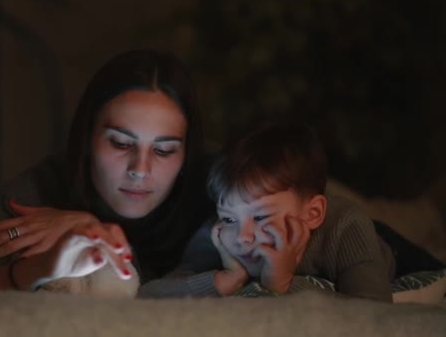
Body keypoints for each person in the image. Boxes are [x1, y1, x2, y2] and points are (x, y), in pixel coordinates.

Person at [0, 49, 215, 292]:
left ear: (187, 153)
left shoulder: (220, 189)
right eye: (120, 143)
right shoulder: (42, 189)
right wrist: (41, 264)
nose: (140, 169)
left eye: (164, 150)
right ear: (87, 139)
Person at [139, 122, 401, 302]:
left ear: (312, 214)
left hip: (385, 246)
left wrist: (282, 284)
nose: (242, 236)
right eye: (230, 217)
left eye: (261, 217)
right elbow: (151, 294)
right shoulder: (221, 232)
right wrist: (224, 280)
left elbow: (373, 309)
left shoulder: (347, 227)